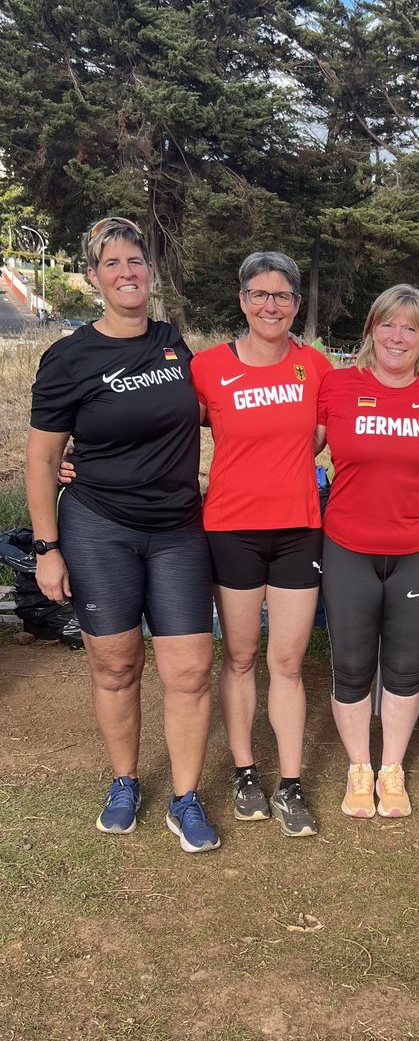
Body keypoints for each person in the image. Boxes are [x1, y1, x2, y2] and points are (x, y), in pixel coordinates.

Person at [26, 216, 219, 853]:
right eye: (112, 263)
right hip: (98, 527)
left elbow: (224, 400)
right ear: (93, 277)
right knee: (115, 664)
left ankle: (185, 798)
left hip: (178, 529)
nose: (127, 272)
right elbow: (41, 459)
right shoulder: (68, 357)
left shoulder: (173, 342)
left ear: (151, 272)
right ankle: (125, 781)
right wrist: (47, 549)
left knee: (190, 670)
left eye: (136, 261)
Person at [189, 252, 332, 836]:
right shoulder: (207, 367)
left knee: (289, 662)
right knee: (242, 656)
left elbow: (322, 435)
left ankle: (290, 784)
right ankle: (245, 772)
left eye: (282, 296)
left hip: (298, 528)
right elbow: (159, 426)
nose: (271, 306)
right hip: (231, 528)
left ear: (296, 304)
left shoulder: (315, 365)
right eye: (259, 294)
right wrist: (81, 459)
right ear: (242, 300)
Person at [316, 286, 419, 818]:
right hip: (348, 547)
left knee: (403, 667)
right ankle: (360, 768)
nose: (398, 336)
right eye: (388, 324)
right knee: (352, 665)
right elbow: (291, 447)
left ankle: (391, 769)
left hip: (418, 549)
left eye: (411, 327)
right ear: (371, 330)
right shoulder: (338, 385)